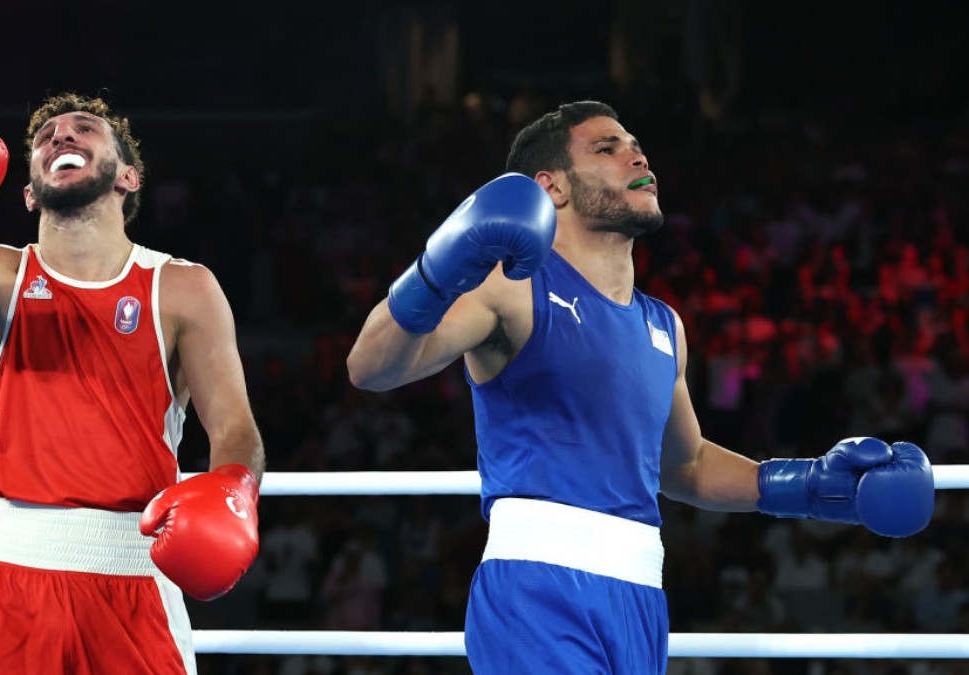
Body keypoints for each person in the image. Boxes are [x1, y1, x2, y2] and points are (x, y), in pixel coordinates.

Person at [345, 100, 935, 674]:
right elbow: (370, 367)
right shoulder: (511, 285)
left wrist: (809, 486)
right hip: (537, 588)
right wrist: (436, 269)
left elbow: (687, 466)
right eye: (608, 148)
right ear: (552, 187)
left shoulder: (664, 326)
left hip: (639, 599)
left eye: (635, 145)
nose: (636, 156)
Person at [0, 94, 264, 674]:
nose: (60, 137)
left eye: (84, 129)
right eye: (47, 136)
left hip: (134, 577)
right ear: (28, 193)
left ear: (128, 176)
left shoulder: (184, 287)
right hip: (9, 576)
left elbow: (235, 428)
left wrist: (235, 491)